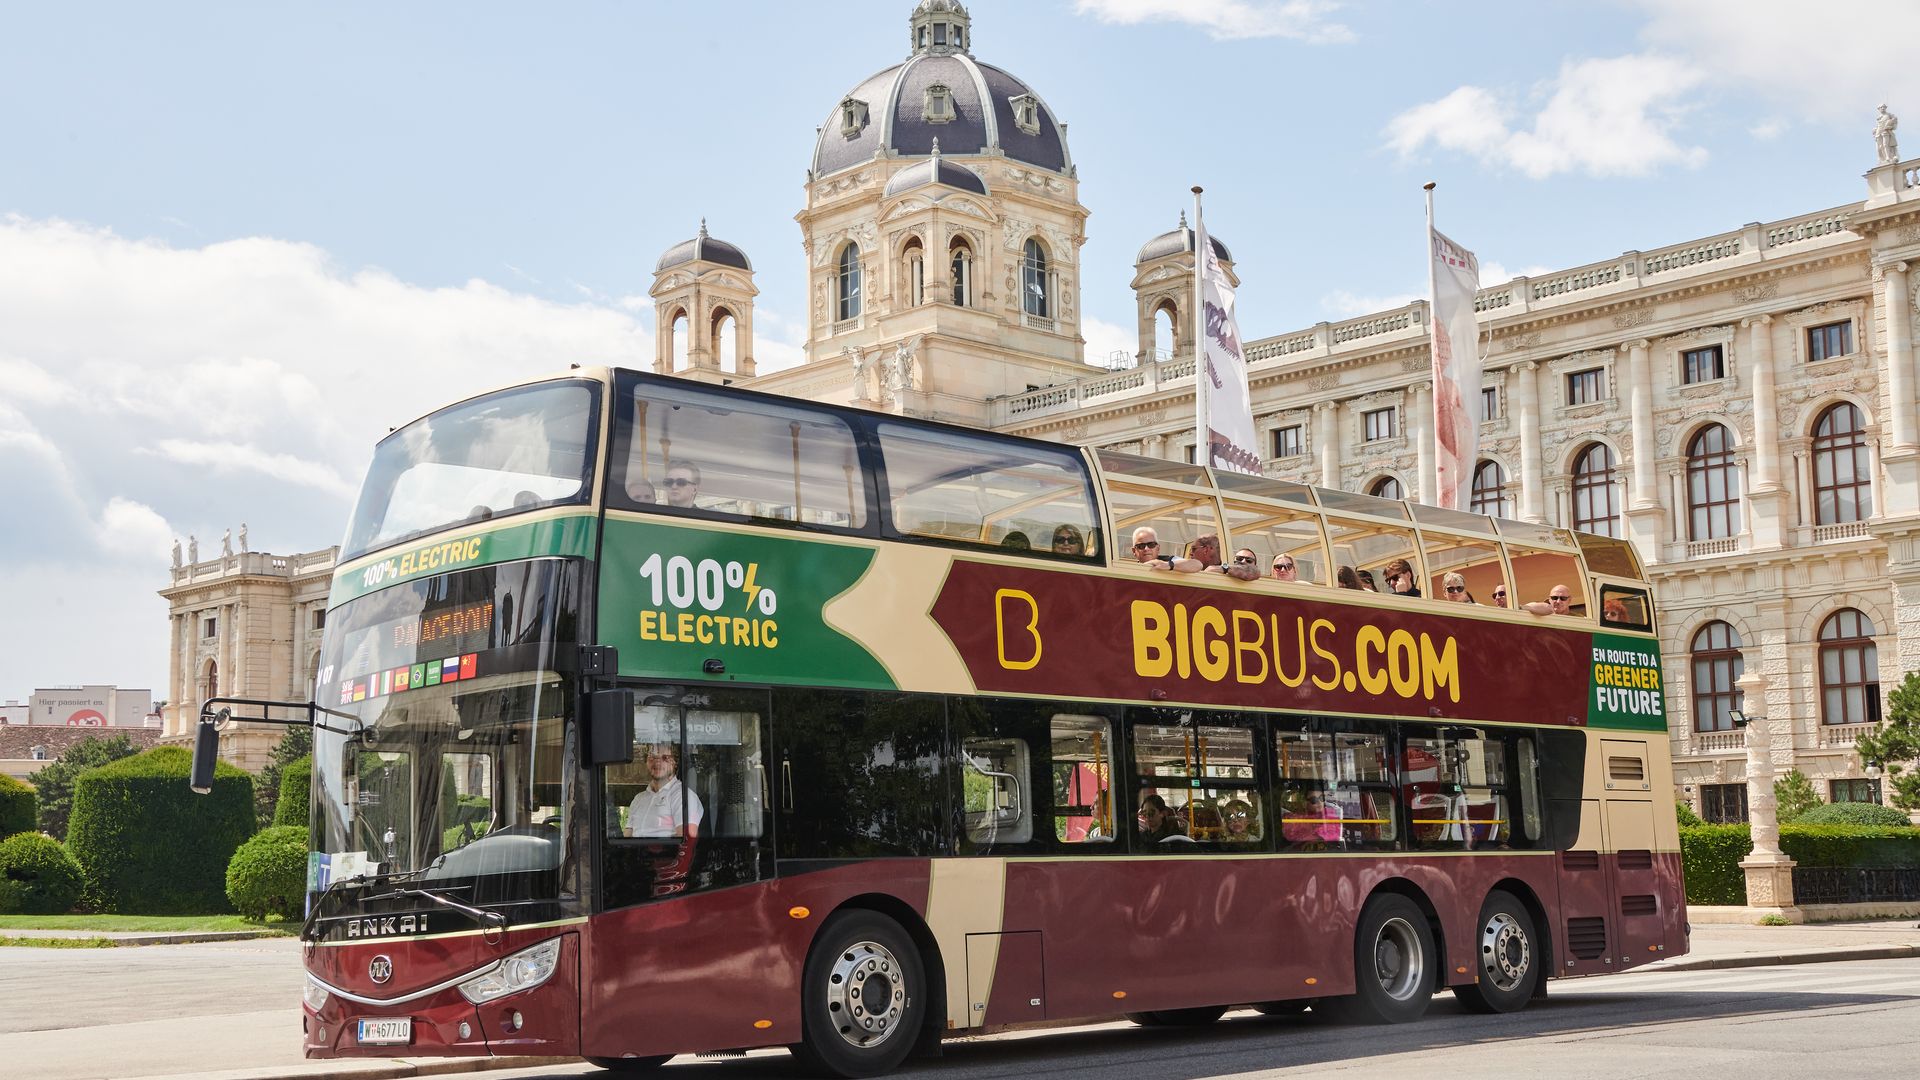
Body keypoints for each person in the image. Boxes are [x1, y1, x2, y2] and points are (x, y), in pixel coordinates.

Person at [626, 743, 704, 838]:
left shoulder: (683, 796)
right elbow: (627, 838)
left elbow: (687, 842)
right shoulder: (638, 799)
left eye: (665, 758)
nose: (657, 762)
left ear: (675, 762)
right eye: (652, 756)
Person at [1131, 526, 1201, 572]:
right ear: (1134, 551)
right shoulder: (1130, 569)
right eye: (1141, 546)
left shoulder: (1168, 560)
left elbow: (1197, 564)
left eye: (1151, 545)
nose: (1146, 548)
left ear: (1158, 548)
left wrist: (1167, 565)